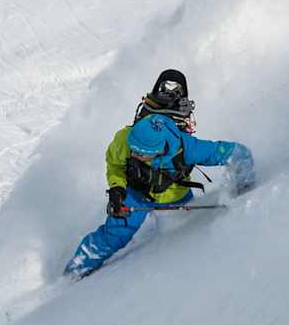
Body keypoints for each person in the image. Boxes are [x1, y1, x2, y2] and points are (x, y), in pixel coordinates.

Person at [63, 69, 255, 279]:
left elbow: (238, 153)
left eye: (141, 154)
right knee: (115, 234)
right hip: (135, 192)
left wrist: (244, 187)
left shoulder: (188, 148)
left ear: (160, 149)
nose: (134, 154)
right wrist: (117, 188)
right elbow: (115, 164)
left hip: (175, 195)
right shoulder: (124, 139)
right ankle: (75, 271)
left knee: (183, 233)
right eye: (133, 150)